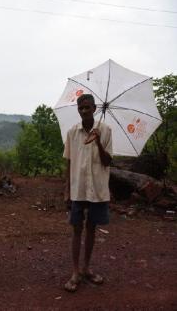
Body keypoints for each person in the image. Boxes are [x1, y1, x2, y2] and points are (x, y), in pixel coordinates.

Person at [63, 94, 112, 292]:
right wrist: (66, 189)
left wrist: (98, 141)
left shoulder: (105, 130)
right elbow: (68, 161)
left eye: (87, 107)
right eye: (80, 108)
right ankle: (75, 272)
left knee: (91, 228)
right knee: (76, 228)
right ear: (78, 110)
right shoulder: (72, 132)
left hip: (97, 189)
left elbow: (108, 161)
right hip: (78, 188)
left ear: (94, 108)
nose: (84, 111)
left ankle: (86, 268)